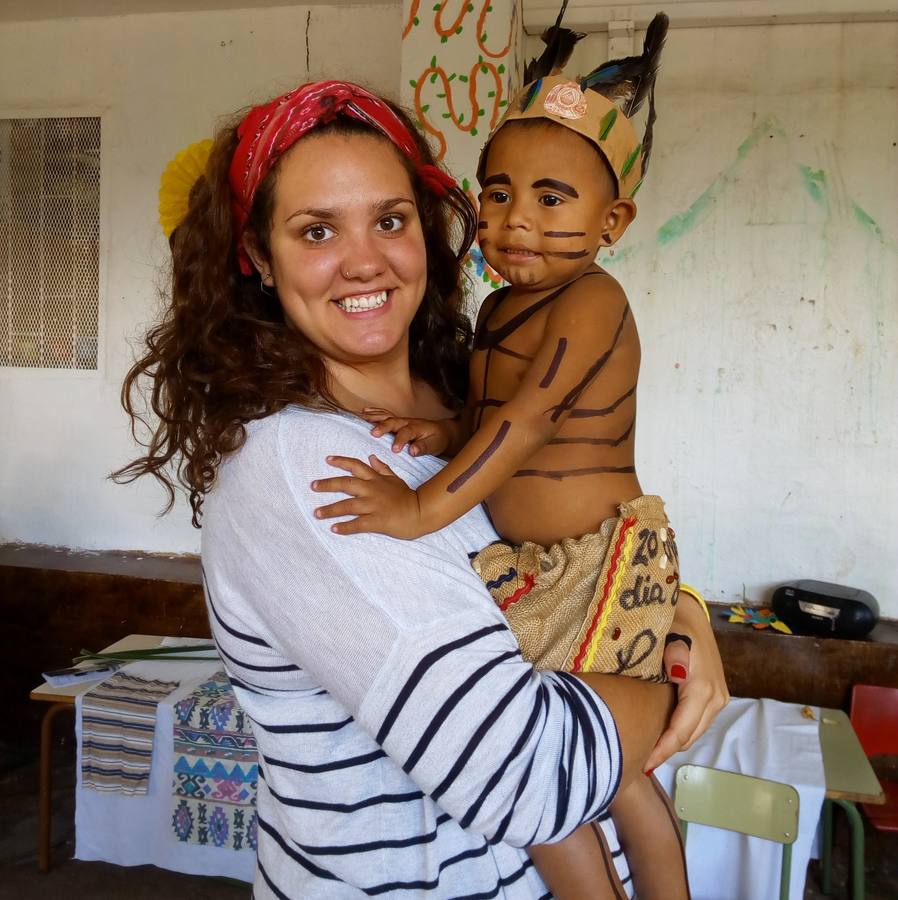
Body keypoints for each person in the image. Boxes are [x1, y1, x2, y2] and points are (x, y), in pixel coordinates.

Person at [115, 79, 728, 899]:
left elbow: (555, 547)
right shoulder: (302, 469)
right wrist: (665, 686)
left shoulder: (455, 403)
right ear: (260, 257)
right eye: (317, 229)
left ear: (428, 232)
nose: (364, 259)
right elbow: (525, 774)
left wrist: (674, 608)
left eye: (389, 220)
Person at [310, 16, 696, 900]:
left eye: (552, 199)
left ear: (615, 221)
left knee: (574, 773)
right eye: (496, 193)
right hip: (535, 566)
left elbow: (526, 422)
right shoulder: (495, 312)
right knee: (599, 764)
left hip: (595, 561)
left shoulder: (593, 300)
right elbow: (490, 416)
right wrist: (443, 435)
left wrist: (417, 508)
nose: (516, 219)